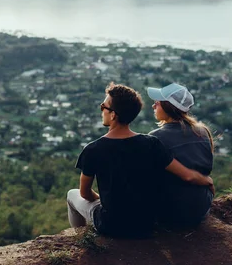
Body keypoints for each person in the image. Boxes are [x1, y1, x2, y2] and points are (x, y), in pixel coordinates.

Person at [67, 83, 214, 238]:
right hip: (156, 219)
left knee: (72, 194)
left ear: (113, 114)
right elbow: (186, 174)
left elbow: (85, 193)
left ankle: (80, 240)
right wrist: (207, 181)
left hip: (121, 221)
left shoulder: (94, 149)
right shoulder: (155, 142)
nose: (153, 105)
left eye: (103, 106)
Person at [147, 82, 214, 227]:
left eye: (157, 103)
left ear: (167, 106)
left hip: (170, 212)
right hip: (201, 208)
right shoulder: (202, 132)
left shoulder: (155, 138)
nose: (153, 106)